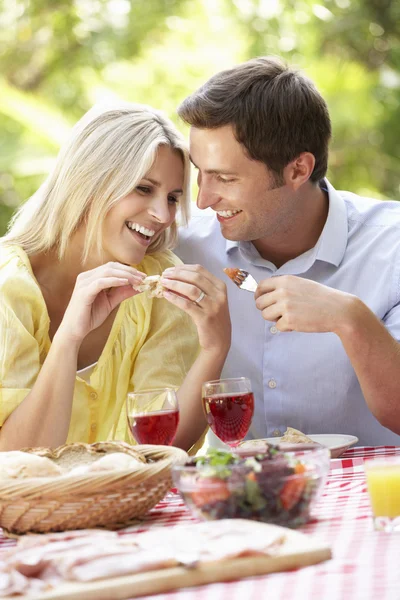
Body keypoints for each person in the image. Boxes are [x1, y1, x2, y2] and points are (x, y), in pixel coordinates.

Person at [175, 56, 400, 446]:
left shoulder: (391, 248)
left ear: (298, 170)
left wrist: (351, 320)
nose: (204, 197)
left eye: (225, 178)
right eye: (199, 171)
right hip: (244, 496)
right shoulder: (188, 249)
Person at [0, 102, 231, 453]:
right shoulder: (9, 288)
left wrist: (215, 349)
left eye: (172, 198)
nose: (162, 215)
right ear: (90, 180)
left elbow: (162, 448)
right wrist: (68, 339)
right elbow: (14, 464)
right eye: (143, 188)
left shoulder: (157, 281)